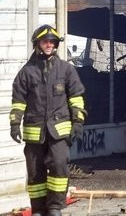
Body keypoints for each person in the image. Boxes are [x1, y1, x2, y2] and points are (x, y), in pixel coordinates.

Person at [8, 24, 86, 216]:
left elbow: (76, 97)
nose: (49, 44)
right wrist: (15, 123)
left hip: (58, 132)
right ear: (37, 44)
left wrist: (78, 122)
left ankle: (55, 207)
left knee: (59, 166)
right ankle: (38, 209)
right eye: (45, 41)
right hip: (35, 133)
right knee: (35, 173)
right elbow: (18, 101)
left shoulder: (66, 70)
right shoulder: (26, 72)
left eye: (52, 42)